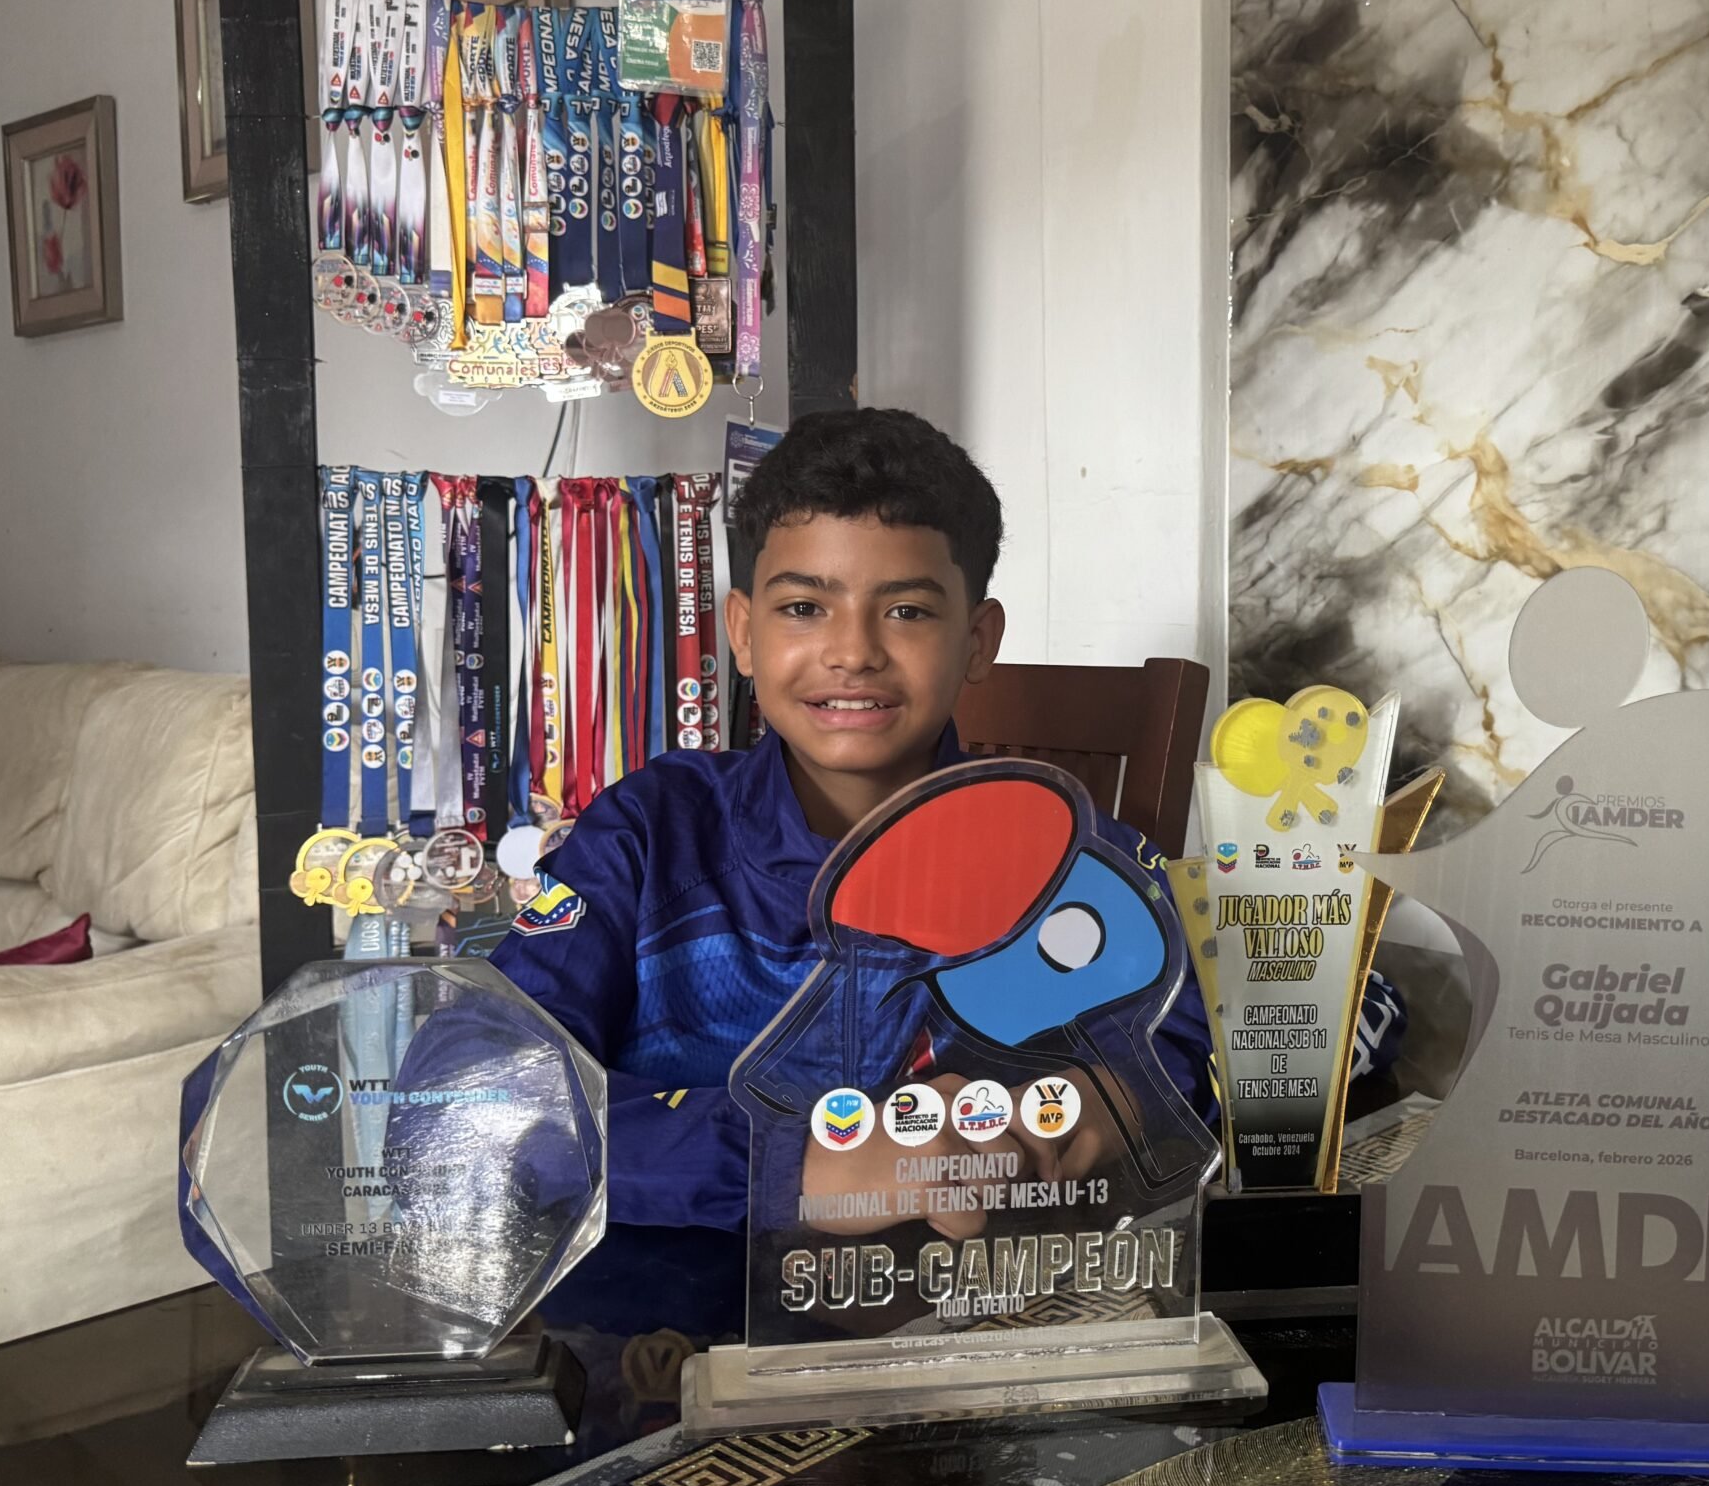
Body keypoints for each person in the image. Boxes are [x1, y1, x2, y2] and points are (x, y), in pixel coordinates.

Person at [491, 407, 1218, 1241]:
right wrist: (799, 1163)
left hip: (979, 1309)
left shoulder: (1083, 863)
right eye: (805, 607)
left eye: (907, 611)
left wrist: (1118, 1095)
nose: (853, 652)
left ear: (978, 640)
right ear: (743, 634)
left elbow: (1203, 1050)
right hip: (671, 1309)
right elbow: (476, 1093)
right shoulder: (651, 835)